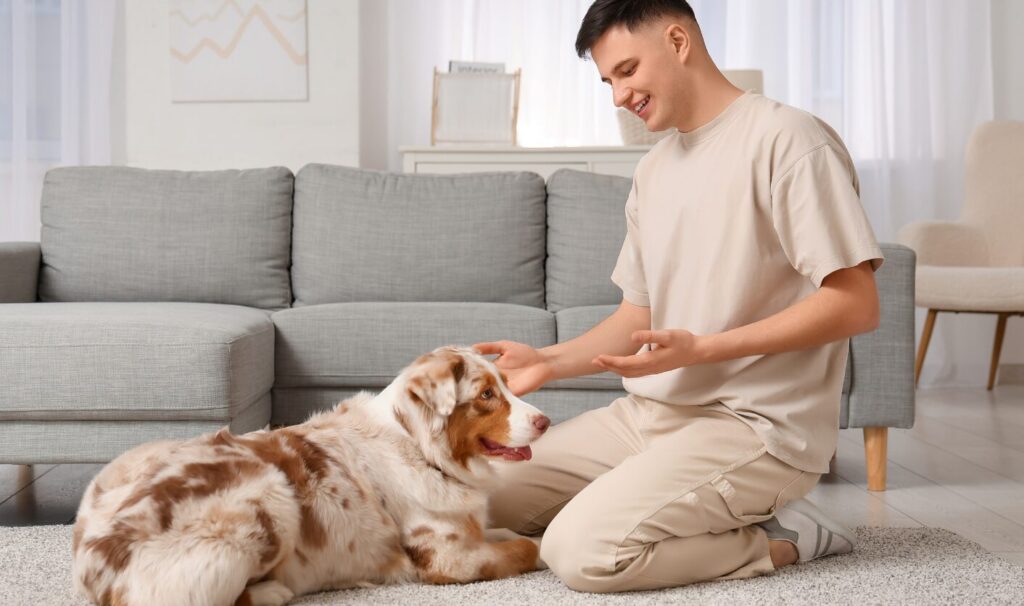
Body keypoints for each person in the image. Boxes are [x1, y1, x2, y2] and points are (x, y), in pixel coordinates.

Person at [473, 0, 884, 594]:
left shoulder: (788, 140)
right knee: (474, 501)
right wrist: (549, 361)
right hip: (649, 416)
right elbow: (636, 317)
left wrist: (704, 348)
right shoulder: (654, 169)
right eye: (609, 81)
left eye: (627, 70)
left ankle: (788, 534)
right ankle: (649, 502)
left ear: (678, 41)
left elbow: (856, 303)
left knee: (581, 553)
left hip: (755, 429)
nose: (619, 96)